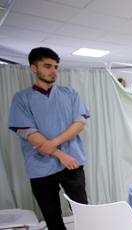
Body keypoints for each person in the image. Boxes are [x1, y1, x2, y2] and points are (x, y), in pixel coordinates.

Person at [8, 47, 90, 230]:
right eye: (47, 66)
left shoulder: (70, 93)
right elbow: (28, 132)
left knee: (83, 211)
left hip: (73, 164)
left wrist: (53, 143)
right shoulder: (22, 99)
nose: (53, 71)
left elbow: (79, 124)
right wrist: (62, 155)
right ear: (34, 68)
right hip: (41, 168)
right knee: (52, 217)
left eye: (55, 67)